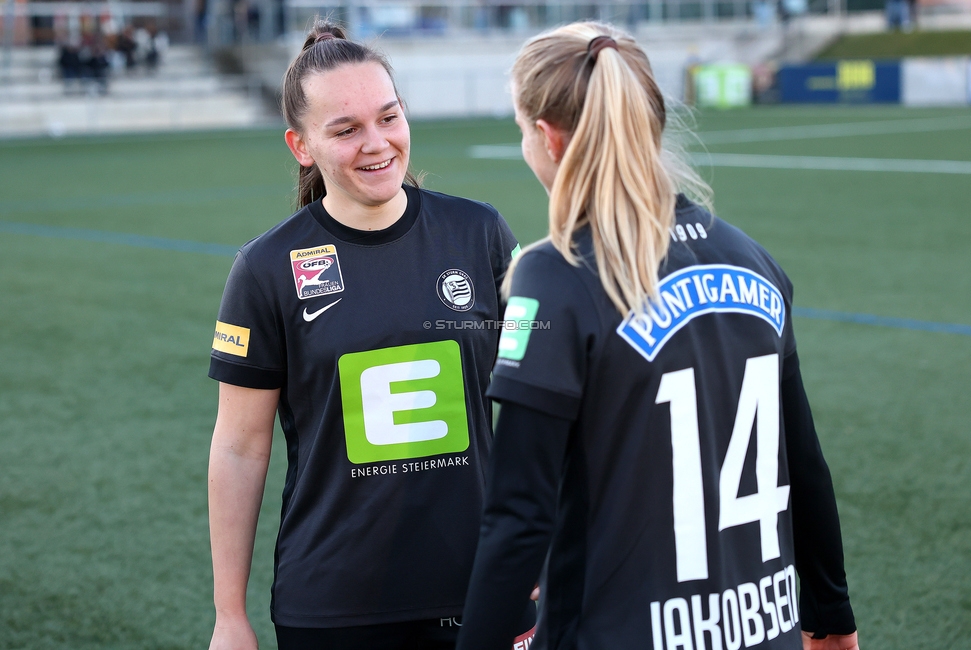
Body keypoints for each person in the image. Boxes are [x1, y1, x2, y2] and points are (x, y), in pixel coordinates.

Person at [456, 22, 859, 650]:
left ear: (547, 136)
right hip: (765, 630)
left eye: (521, 130)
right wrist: (830, 611)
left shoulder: (554, 276)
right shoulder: (752, 260)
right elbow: (804, 462)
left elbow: (519, 515)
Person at [207, 20, 534, 650]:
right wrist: (229, 614)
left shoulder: (480, 233)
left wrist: (546, 536)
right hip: (335, 604)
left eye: (389, 117)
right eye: (346, 129)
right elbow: (239, 448)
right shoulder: (267, 268)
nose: (377, 143)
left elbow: (538, 399)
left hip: (486, 585)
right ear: (301, 146)